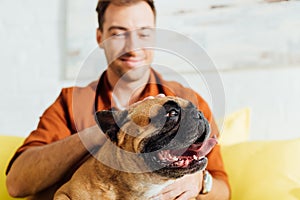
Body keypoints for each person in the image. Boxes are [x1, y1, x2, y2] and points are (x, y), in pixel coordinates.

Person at [6, 0, 231, 199]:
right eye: (118, 33)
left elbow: (224, 189)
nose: (133, 48)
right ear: (100, 37)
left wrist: (201, 182)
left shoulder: (188, 102)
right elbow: (16, 184)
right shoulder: (70, 102)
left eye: (143, 33)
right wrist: (104, 132)